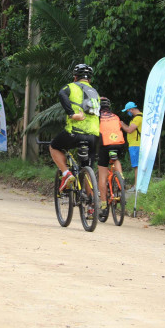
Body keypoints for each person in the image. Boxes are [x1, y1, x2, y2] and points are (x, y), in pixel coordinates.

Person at [49, 63, 100, 192]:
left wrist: (71, 114)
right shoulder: (95, 92)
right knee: (88, 169)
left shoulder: (71, 87)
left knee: (54, 146)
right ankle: (91, 204)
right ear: (90, 79)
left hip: (75, 132)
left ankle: (66, 173)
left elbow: (61, 94)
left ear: (75, 77)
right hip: (93, 136)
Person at [96, 97, 126, 216]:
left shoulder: (97, 118)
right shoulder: (116, 116)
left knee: (102, 175)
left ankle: (103, 205)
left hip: (105, 145)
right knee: (115, 159)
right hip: (118, 144)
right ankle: (120, 179)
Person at [120, 101, 143, 191]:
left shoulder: (138, 118)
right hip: (135, 144)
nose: (127, 113)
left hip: (136, 145)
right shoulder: (138, 117)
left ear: (131, 109)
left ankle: (136, 186)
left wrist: (122, 125)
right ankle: (137, 185)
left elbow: (129, 130)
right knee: (137, 166)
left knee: (137, 166)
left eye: (127, 111)